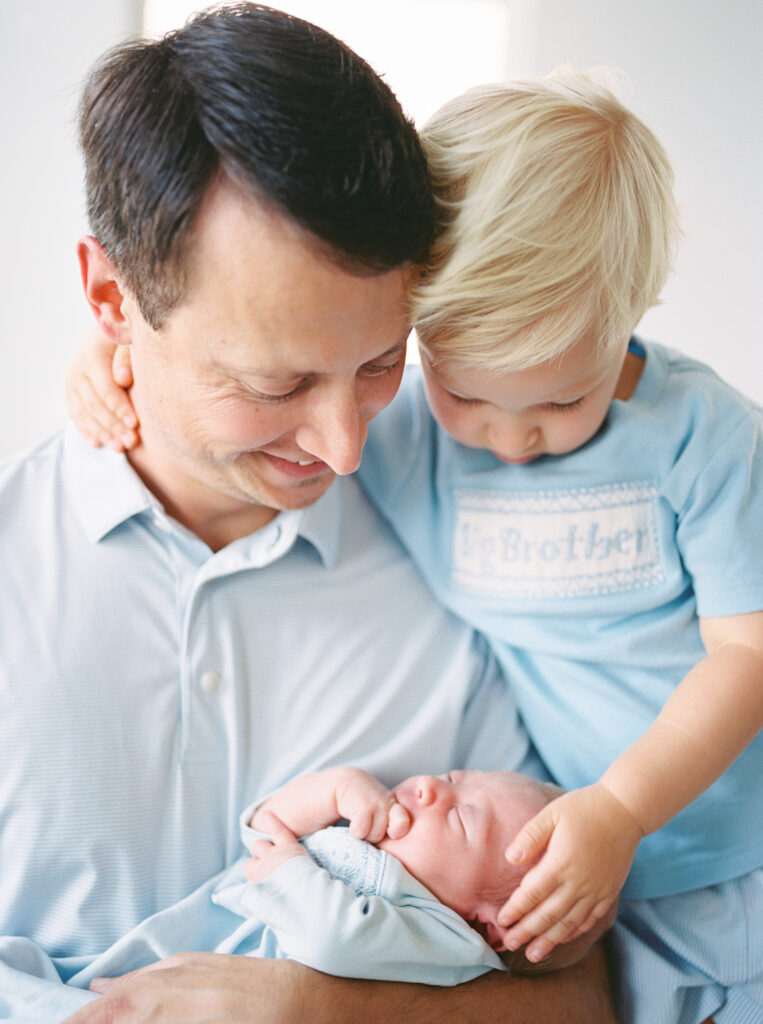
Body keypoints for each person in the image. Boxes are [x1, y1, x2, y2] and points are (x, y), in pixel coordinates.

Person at [73, 68, 763, 1024]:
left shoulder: (702, 435)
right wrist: (117, 353)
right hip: (589, 893)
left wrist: (620, 810)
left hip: (732, 850)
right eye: (466, 392)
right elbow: (249, 393)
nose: (511, 438)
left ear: (632, 313)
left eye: (564, 399)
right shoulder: (404, 440)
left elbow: (749, 655)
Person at [0, 7, 617, 1023]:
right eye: (274, 382)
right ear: (113, 300)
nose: (344, 449)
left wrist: (324, 1009)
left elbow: (583, 989)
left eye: (380, 365)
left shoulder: (464, 561)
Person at [50, 767, 612, 997]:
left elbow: (332, 938)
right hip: (174, 943)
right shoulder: (376, 843)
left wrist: (290, 870)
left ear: (491, 927)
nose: (429, 790)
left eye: (462, 817)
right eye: (451, 776)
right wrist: (333, 790)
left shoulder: (442, 938)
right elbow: (263, 825)